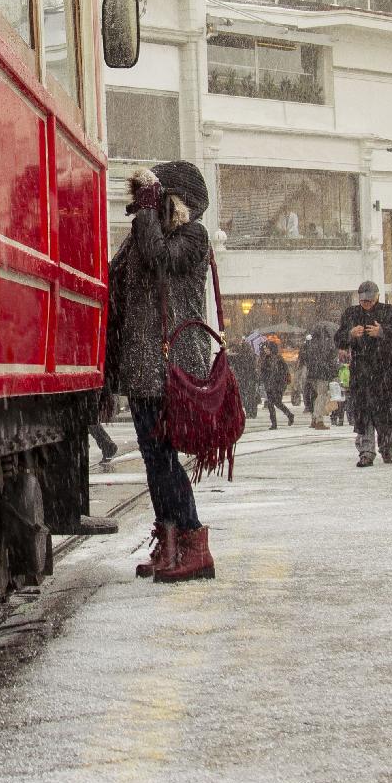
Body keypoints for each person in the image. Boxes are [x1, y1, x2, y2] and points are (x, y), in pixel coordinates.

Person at [103, 162, 218, 583]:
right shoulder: (143, 234)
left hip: (168, 366)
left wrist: (148, 212)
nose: (142, 207)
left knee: (165, 459)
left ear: (173, 199)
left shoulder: (193, 237)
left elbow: (158, 259)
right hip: (140, 367)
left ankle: (192, 542)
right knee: (155, 460)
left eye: (152, 199)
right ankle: (168, 541)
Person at [335, 281, 392, 467]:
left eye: (369, 300)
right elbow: (339, 339)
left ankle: (387, 448)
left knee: (386, 414)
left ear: (377, 296)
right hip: (361, 372)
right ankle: (366, 452)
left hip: (385, 372)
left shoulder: (390, 312)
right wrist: (350, 334)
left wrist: (383, 332)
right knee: (364, 414)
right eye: (363, 300)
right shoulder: (351, 314)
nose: (366, 303)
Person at [299, 325, 338, 429]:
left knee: (314, 397)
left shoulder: (308, 345)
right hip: (322, 374)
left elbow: (303, 358)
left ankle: (314, 419)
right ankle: (318, 420)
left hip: (311, 374)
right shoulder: (325, 345)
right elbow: (331, 358)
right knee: (321, 396)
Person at [258, 339, 295, 429]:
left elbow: (284, 372)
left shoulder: (279, 359)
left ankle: (289, 415)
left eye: (267, 349)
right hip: (269, 384)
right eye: (265, 349)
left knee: (277, 403)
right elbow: (263, 372)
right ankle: (274, 424)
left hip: (278, 384)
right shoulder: (265, 359)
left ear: (272, 349)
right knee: (271, 404)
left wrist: (280, 382)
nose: (266, 350)